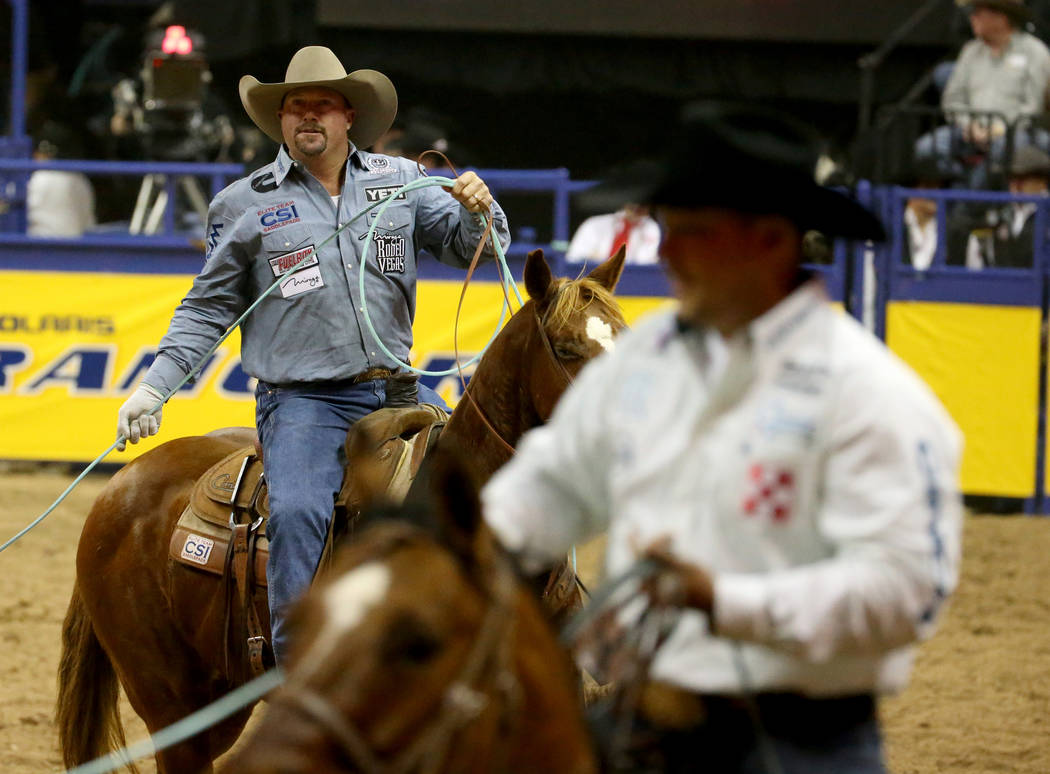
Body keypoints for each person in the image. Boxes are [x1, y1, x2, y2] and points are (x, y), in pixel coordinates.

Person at [482, 103, 963, 774]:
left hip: (796, 744)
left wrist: (725, 600)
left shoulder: (871, 398)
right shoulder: (645, 359)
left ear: (769, 241)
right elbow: (551, 484)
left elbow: (902, 593)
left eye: (691, 232)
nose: (668, 252)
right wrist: (454, 542)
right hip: (640, 731)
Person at [114, 45, 510, 664]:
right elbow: (208, 307)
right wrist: (155, 386)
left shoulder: (402, 181)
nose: (307, 116)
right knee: (299, 512)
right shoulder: (244, 204)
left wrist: (481, 208)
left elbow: (472, 248)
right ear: (280, 120)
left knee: (488, 486)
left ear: (348, 115)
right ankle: (298, 669)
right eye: (295, 106)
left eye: (321, 104)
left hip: (399, 392)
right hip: (305, 401)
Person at [917, 0, 1050, 183]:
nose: (972, 18)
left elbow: (1033, 106)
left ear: (1001, 17)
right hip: (971, 131)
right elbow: (952, 100)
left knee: (1005, 148)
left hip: (1016, 131)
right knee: (926, 148)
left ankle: (968, 207)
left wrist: (1000, 129)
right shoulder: (970, 51)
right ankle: (965, 189)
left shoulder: (1035, 51)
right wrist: (968, 125)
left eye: (979, 13)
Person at [26, 122, 96, 238]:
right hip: (79, 249)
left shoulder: (41, 177)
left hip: (41, 249)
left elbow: (18, 212)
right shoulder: (81, 179)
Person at [566, 203, 661, 265]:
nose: (636, 208)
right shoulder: (594, 224)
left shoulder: (653, 230)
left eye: (642, 206)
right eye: (633, 204)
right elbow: (573, 258)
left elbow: (647, 265)